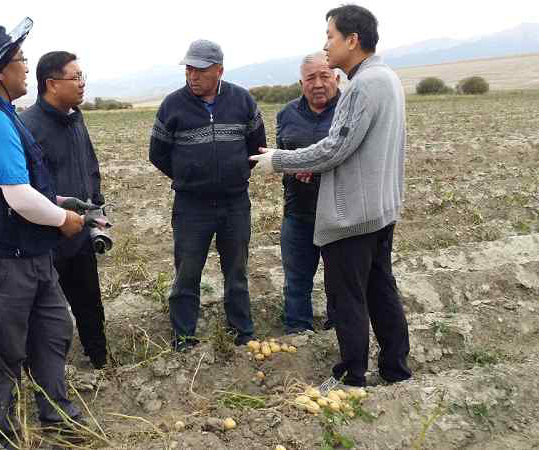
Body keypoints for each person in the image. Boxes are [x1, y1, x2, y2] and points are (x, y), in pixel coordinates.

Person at [0, 19, 98, 447]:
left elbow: (27, 190)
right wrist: (62, 220)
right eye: (20, 60)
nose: (25, 67)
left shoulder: (2, 115)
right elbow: (18, 199)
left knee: (52, 332)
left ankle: (56, 416)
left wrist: (58, 203)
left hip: (29, 256)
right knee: (2, 352)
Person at [250, 5, 412, 388]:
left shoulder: (363, 86)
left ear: (352, 41)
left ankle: (352, 376)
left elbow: (333, 148)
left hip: (353, 216)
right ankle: (395, 370)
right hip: (379, 210)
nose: (327, 45)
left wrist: (279, 160)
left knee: (347, 300)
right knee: (380, 291)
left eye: (331, 37)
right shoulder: (387, 77)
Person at [149, 39, 266, 351]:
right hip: (191, 207)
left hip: (235, 203)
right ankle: (184, 337)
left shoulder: (242, 100)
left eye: (200, 69)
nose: (192, 75)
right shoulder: (172, 105)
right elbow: (157, 154)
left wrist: (234, 176)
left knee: (237, 271)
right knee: (186, 273)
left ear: (219, 70)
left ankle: (242, 332)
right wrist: (189, 178)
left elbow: (257, 147)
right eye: (188, 68)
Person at [20, 51, 110, 370]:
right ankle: (47, 375)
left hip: (80, 233)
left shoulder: (76, 118)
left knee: (90, 305)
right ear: (52, 84)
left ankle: (100, 362)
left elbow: (90, 165)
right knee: (46, 315)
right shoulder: (26, 126)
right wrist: (57, 219)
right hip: (46, 241)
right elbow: (24, 189)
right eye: (76, 78)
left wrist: (96, 206)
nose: (82, 84)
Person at [277, 52, 341, 334]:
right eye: (310, 78)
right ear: (301, 83)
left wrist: (318, 168)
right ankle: (297, 333)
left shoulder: (349, 109)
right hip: (297, 212)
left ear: (336, 78)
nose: (318, 84)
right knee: (296, 280)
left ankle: (340, 331)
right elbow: (281, 154)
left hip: (340, 214)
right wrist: (293, 168)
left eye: (324, 76)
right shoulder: (286, 114)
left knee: (340, 281)